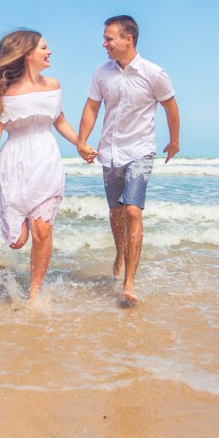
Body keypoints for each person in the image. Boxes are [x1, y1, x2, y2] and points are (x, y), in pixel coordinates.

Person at [77, 15, 180, 305]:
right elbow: (91, 107)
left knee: (132, 210)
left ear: (127, 39)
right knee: (116, 213)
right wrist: (82, 141)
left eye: (109, 38)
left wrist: (173, 141)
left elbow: (171, 107)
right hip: (109, 151)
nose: (104, 43)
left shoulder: (154, 73)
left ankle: (129, 282)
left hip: (141, 150)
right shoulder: (101, 72)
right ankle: (120, 252)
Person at [0, 29, 81, 301]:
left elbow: (60, 121)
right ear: (26, 54)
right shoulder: (6, 92)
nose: (50, 52)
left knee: (42, 230)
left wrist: (80, 144)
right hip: (15, 163)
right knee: (18, 241)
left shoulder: (53, 86)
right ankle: (11, 235)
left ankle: (35, 291)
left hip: (46, 158)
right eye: (44, 47)